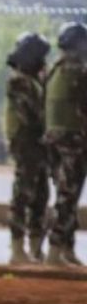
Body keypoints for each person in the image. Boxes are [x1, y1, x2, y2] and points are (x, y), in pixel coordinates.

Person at [3, 32, 52, 264]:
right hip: (26, 143)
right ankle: (17, 248)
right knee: (23, 194)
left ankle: (35, 247)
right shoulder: (19, 81)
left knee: (41, 194)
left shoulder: (33, 80)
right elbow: (33, 114)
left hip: (38, 144)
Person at [42, 21, 87, 267]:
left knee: (64, 193)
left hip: (54, 141)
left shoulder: (54, 70)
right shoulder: (78, 71)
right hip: (73, 141)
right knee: (68, 196)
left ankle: (65, 249)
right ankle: (55, 250)